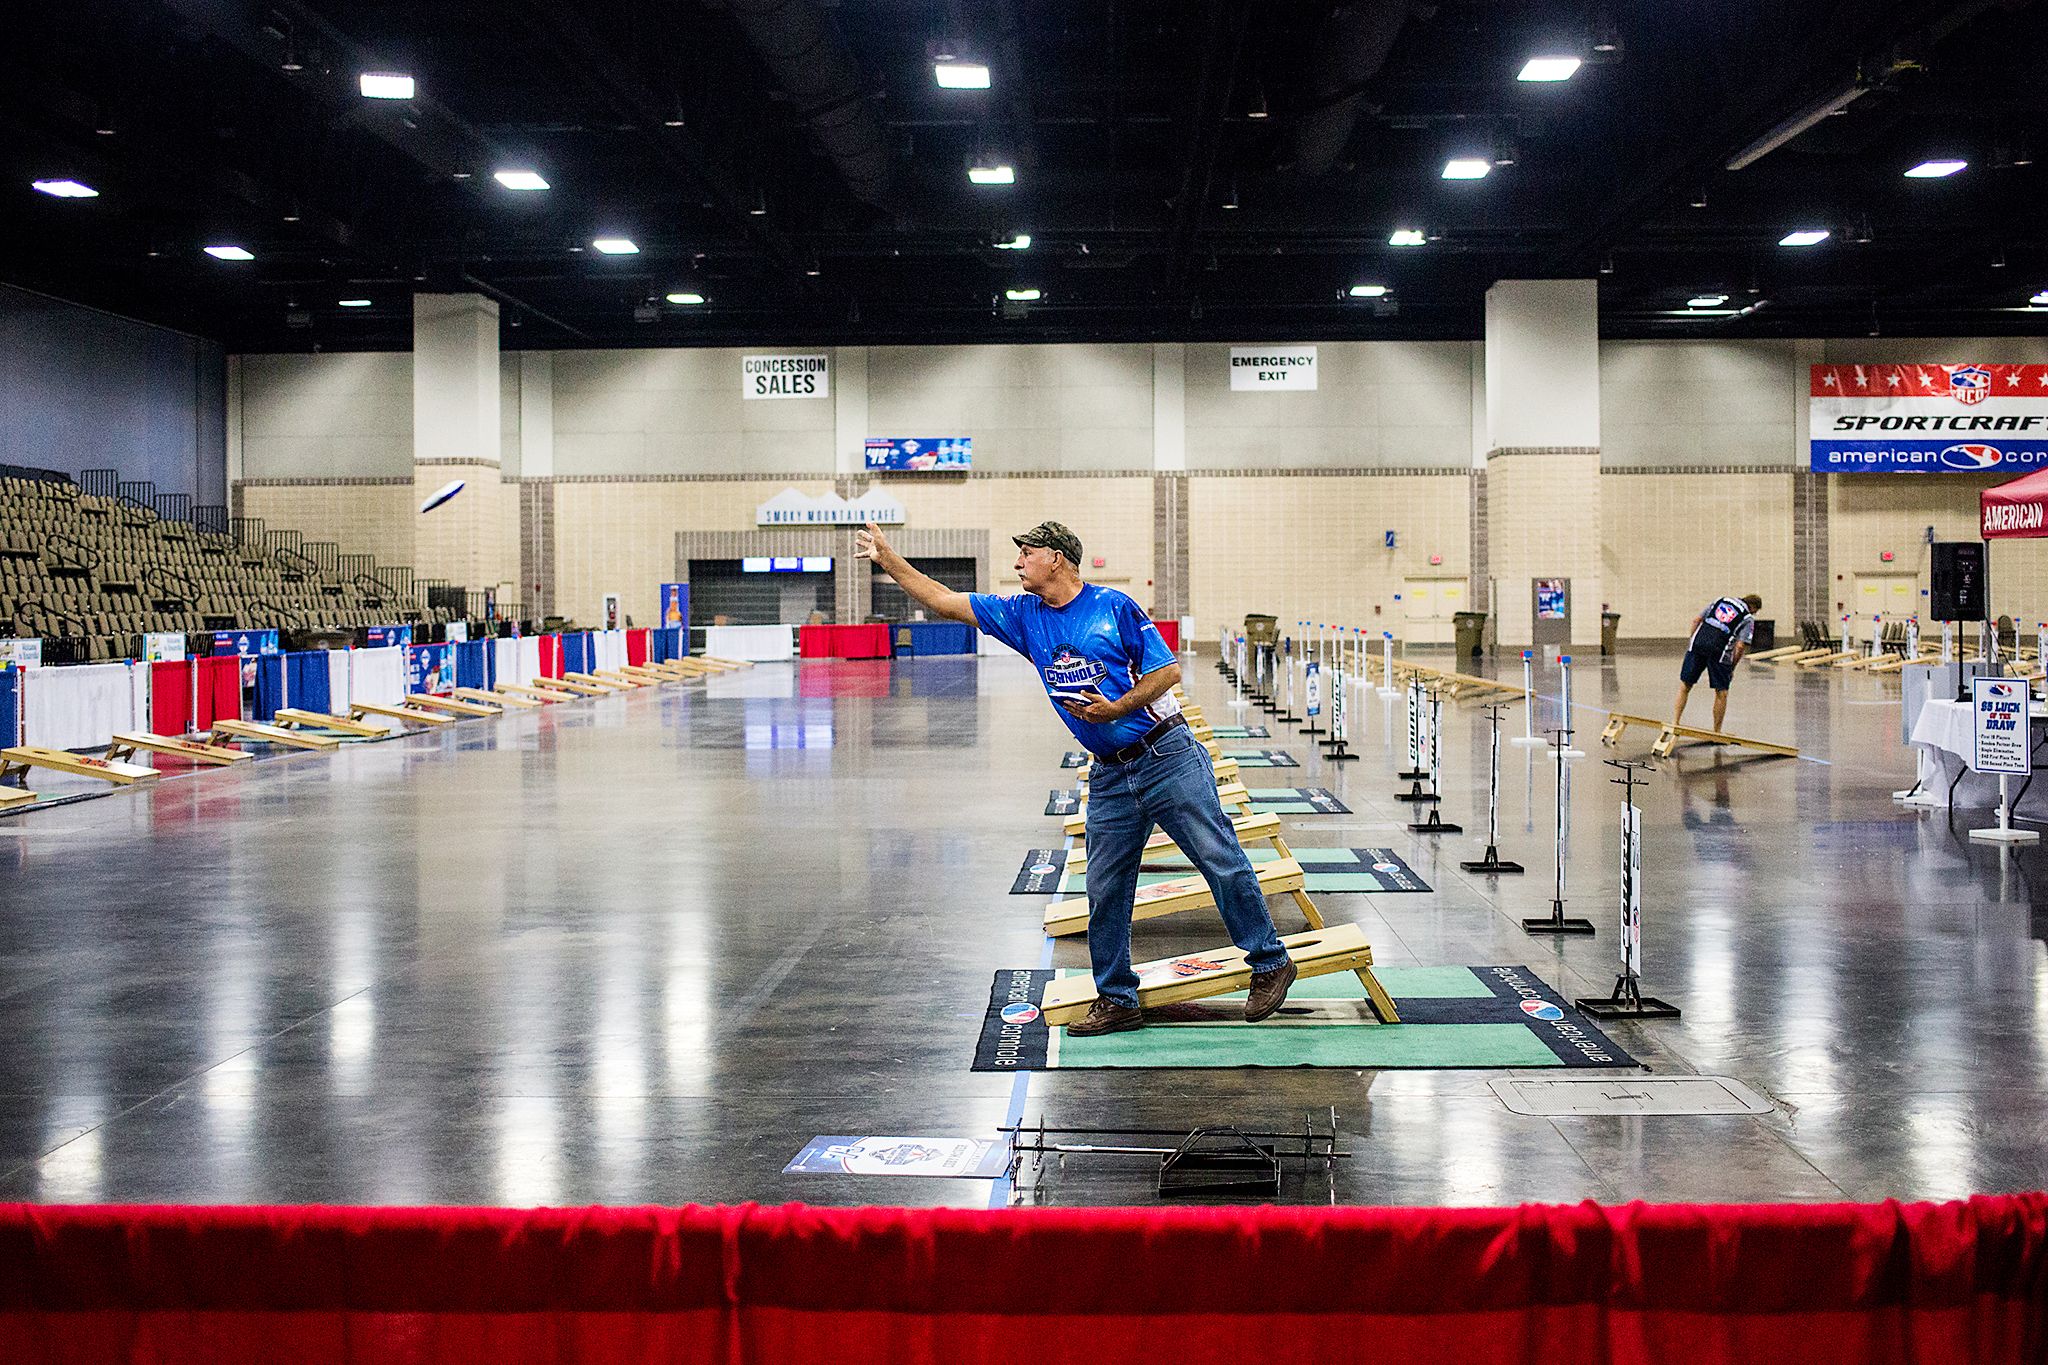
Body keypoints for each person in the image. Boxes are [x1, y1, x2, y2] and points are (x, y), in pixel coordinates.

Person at [855, 518, 1296, 1036]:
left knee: (1220, 860)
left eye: (1026, 553)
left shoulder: (1114, 607)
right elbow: (942, 599)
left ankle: (1269, 961)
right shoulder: (1021, 615)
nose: (1017, 562)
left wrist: (1115, 710)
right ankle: (1117, 998)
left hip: (1166, 757)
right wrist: (890, 560)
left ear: (1057, 558)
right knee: (1105, 889)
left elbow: (1167, 673)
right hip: (1111, 777)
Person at [1673, 593, 1762, 735]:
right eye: (1756, 612)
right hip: (1719, 651)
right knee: (1721, 692)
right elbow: (1740, 646)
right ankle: (1716, 732)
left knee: (1685, 684)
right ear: (1753, 607)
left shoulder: (1721, 600)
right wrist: (1731, 667)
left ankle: (1675, 723)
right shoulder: (1747, 618)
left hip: (1698, 644)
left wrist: (1693, 641)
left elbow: (1696, 620)